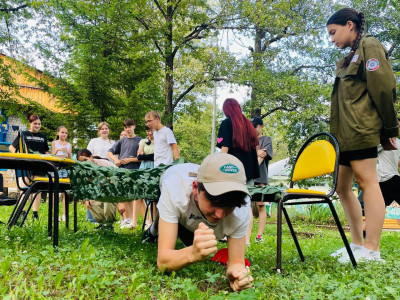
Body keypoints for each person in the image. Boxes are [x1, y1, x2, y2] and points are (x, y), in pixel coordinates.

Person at [327, 8, 398, 263]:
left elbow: (384, 87)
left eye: (333, 32)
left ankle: (371, 249)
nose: (332, 39)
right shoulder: (348, 58)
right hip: (343, 135)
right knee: (341, 188)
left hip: (361, 130)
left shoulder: (369, 45)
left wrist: (390, 130)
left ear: (349, 25)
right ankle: (356, 245)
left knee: (368, 183)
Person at [142, 153, 253, 291]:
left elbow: (236, 263)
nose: (220, 214)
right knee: (183, 234)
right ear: (195, 188)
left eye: (229, 206)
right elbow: (163, 261)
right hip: (171, 178)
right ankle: (155, 228)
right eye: (214, 202)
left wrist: (236, 274)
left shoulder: (242, 205)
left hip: (191, 205)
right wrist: (192, 253)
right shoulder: (174, 188)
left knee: (192, 241)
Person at [217, 98, 259, 245]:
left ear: (226, 110)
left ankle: (227, 235)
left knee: (229, 202)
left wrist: (217, 166)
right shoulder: (248, 124)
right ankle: (245, 239)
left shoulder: (227, 123)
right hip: (249, 171)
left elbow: (224, 146)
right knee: (246, 204)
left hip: (232, 170)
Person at [9, 114, 50, 220]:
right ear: (30, 123)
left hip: (39, 165)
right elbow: (11, 148)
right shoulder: (23, 134)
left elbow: (46, 151)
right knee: (25, 188)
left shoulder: (43, 137)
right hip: (25, 164)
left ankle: (35, 213)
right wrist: (20, 156)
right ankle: (23, 212)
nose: (37, 125)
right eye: (35, 123)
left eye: (39, 124)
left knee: (38, 189)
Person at [107, 118, 142, 229]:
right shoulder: (122, 141)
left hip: (135, 171)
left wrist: (130, 160)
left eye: (129, 127)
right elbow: (109, 152)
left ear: (134, 127)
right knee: (124, 195)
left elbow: (143, 158)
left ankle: (132, 220)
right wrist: (115, 160)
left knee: (133, 196)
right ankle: (126, 219)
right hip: (122, 171)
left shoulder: (140, 141)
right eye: (126, 127)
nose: (128, 129)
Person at [77, 149, 117, 230]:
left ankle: (108, 224)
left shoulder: (103, 164)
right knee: (91, 201)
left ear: (91, 157)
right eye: (82, 162)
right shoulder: (85, 169)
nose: (84, 163)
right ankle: (103, 224)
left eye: (85, 160)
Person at [249, 116, 273, 243]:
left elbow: (263, 155)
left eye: (255, 126)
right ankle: (245, 236)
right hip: (248, 178)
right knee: (246, 206)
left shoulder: (266, 139)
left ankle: (259, 236)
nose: (252, 129)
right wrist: (256, 153)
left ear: (261, 126)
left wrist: (256, 153)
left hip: (261, 177)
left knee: (261, 205)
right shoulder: (248, 140)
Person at [51, 125, 72, 222]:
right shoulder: (54, 143)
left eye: (66, 133)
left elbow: (70, 160)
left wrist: (68, 153)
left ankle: (65, 214)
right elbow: (52, 156)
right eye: (62, 132)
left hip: (65, 168)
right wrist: (57, 150)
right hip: (56, 167)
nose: (64, 134)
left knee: (65, 192)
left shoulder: (69, 145)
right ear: (58, 133)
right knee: (55, 191)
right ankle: (56, 214)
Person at [137, 126, 155, 228]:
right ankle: (147, 219)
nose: (150, 132)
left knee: (152, 195)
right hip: (144, 168)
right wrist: (151, 156)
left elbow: (158, 155)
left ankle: (151, 221)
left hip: (154, 168)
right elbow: (139, 157)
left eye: (151, 130)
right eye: (148, 130)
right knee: (143, 193)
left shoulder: (159, 142)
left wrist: (146, 156)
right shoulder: (143, 141)